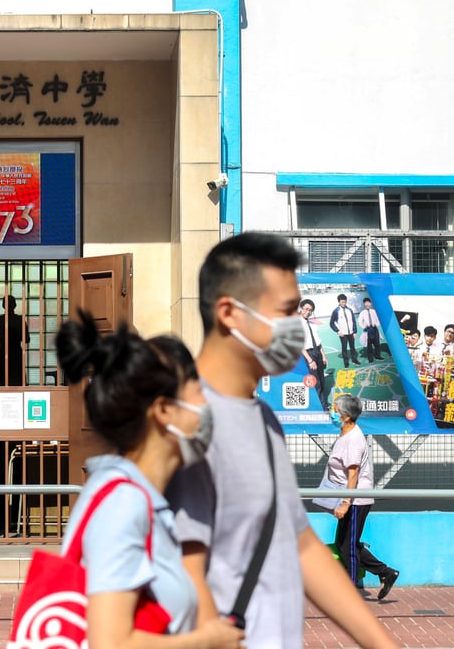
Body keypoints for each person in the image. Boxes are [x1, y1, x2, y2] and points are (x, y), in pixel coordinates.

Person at [166, 232, 399, 649]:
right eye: (287, 312)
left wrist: (382, 644)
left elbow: (301, 544)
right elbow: (184, 566)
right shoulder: (184, 421)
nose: (299, 328)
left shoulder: (262, 418)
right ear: (229, 313)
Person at [55, 315, 243, 649]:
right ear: (164, 411)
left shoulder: (143, 499)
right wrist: (205, 640)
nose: (208, 406)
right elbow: (110, 644)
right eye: (199, 391)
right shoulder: (123, 504)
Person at [325, 393, 400, 600]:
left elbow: (353, 473)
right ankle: (385, 572)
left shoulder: (352, 439)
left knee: (348, 545)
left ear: (347, 416)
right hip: (349, 497)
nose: (331, 413)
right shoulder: (346, 434)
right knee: (344, 543)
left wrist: (346, 503)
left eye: (335, 410)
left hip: (355, 500)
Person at [0, 294, 29, 386]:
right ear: (15, 305)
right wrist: (17, 333)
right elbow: (26, 339)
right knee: (17, 382)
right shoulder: (19, 320)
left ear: (3, 305)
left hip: (2, 353)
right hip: (15, 353)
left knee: (2, 382)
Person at [300, 299, 329, 407]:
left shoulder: (312, 324)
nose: (308, 312)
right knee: (315, 381)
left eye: (310, 310)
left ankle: (322, 402)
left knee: (322, 378)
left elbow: (318, 341)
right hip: (309, 354)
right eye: (306, 309)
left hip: (317, 352)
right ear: (301, 308)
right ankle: (322, 406)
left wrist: (324, 356)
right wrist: (310, 360)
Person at [329, 294, 361, 368]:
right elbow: (331, 323)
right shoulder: (336, 311)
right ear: (339, 302)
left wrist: (355, 332)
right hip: (343, 334)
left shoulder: (349, 310)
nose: (343, 303)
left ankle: (354, 360)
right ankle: (346, 362)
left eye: (345, 302)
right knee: (344, 348)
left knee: (352, 347)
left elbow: (353, 321)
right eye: (342, 302)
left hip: (351, 333)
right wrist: (338, 331)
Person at [357, 297, 384, 362]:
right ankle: (370, 358)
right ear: (364, 304)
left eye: (368, 303)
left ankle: (378, 356)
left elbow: (378, 320)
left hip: (374, 329)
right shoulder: (362, 312)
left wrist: (376, 324)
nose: (367, 304)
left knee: (377, 344)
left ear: (371, 303)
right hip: (368, 330)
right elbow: (359, 321)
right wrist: (364, 326)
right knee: (369, 345)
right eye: (365, 303)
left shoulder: (374, 311)